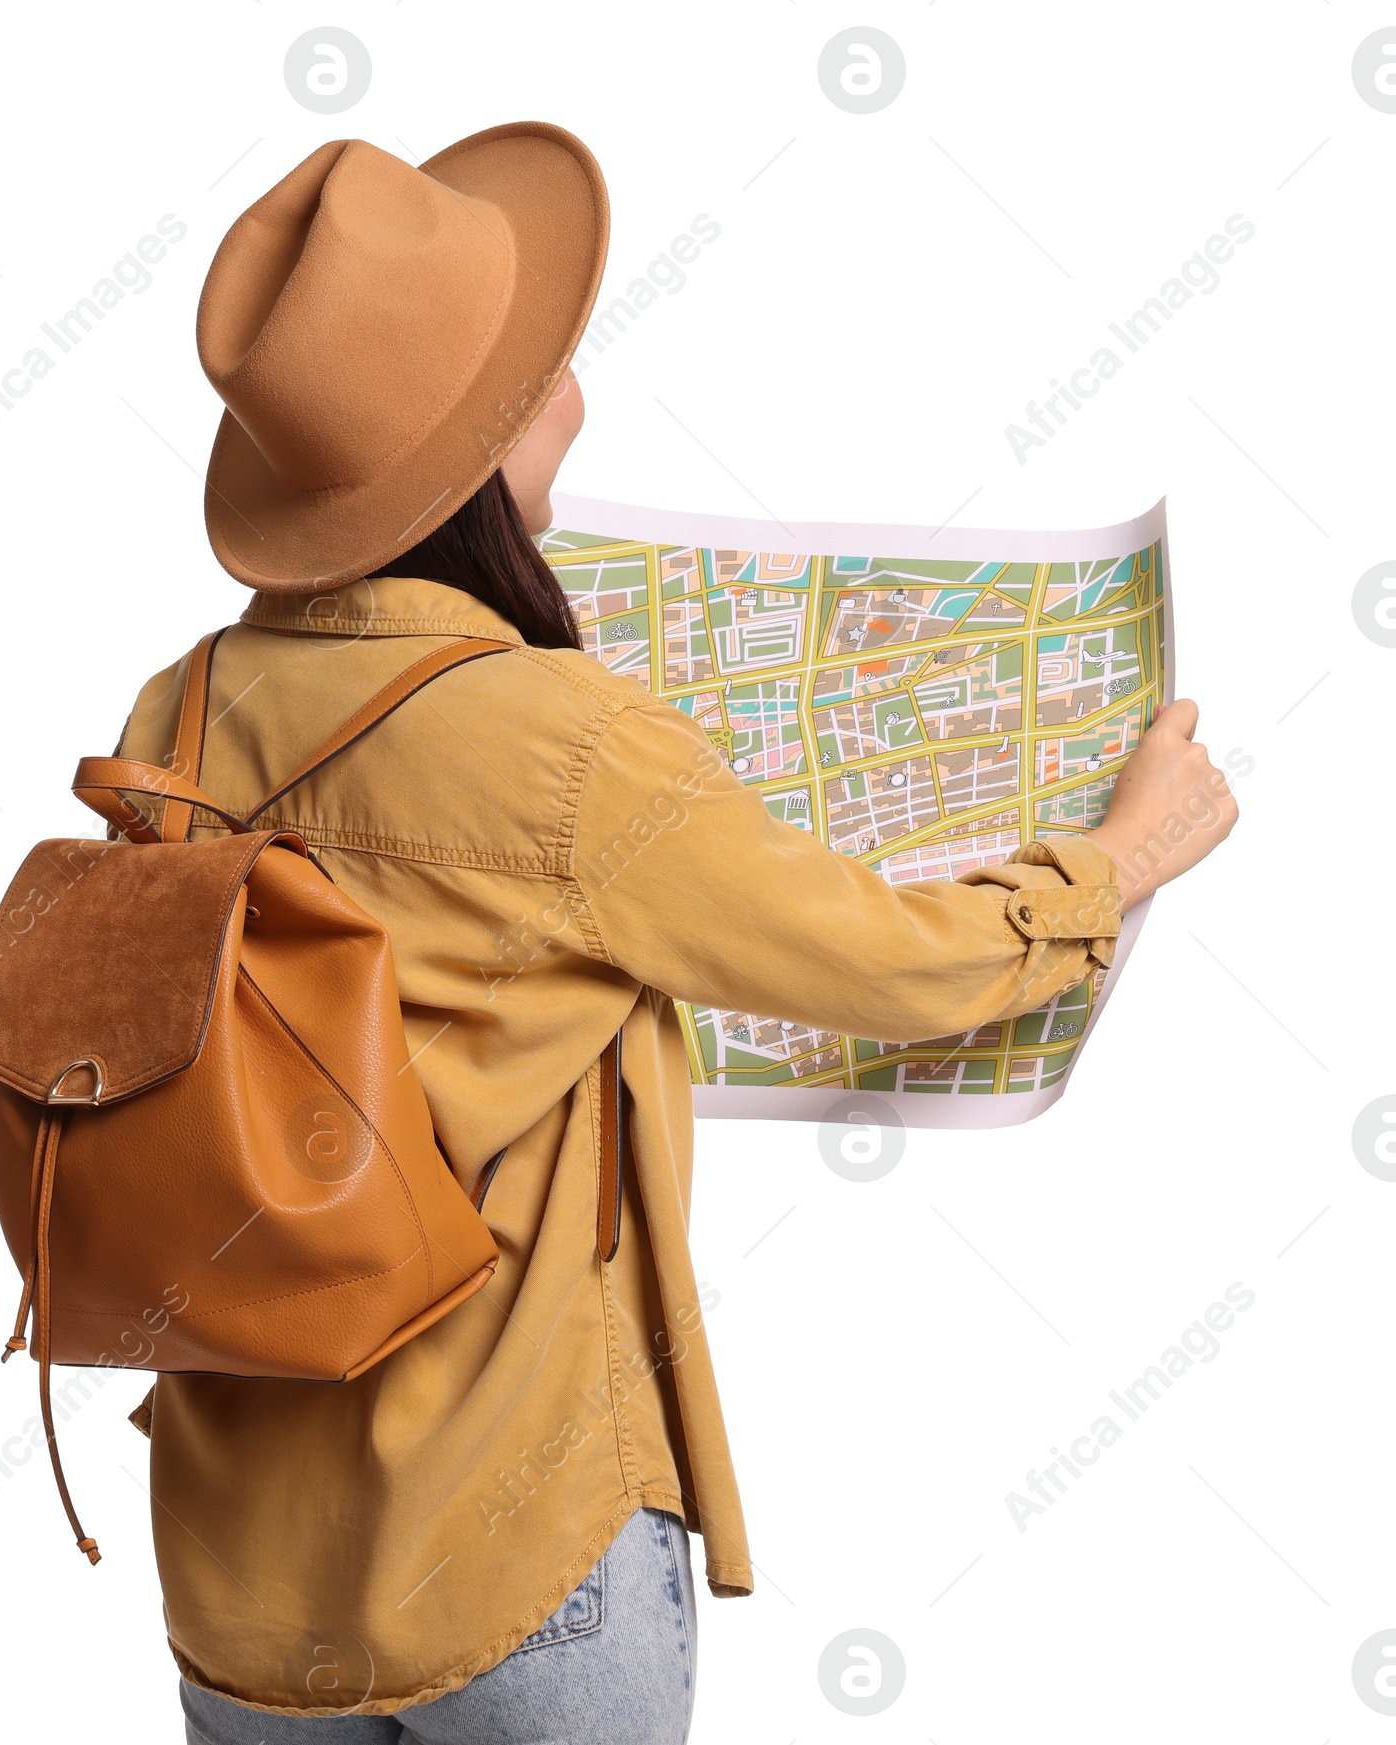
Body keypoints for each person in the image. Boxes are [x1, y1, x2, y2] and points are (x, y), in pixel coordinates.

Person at [116, 123, 1237, 1744]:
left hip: (235, 1575)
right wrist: (1118, 860)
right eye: (547, 361)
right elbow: (886, 963)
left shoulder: (179, 706)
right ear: (497, 430)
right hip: (514, 1552)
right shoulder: (566, 739)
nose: (576, 380)